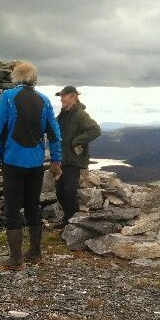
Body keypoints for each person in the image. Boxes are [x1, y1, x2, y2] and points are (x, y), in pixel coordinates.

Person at [0, 61, 62, 270]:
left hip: (13, 162)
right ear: (33, 78)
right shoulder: (45, 100)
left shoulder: (8, 97)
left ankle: (16, 259)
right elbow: (55, 134)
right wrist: (56, 161)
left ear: (16, 77)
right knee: (32, 206)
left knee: (12, 208)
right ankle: (35, 252)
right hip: (35, 164)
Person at [54, 86, 101, 227]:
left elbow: (95, 130)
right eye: (61, 96)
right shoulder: (63, 114)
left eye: (63, 96)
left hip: (73, 160)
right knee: (60, 191)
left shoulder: (80, 114)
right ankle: (68, 219)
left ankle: (73, 221)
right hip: (62, 159)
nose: (61, 99)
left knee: (69, 191)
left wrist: (77, 141)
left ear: (73, 96)